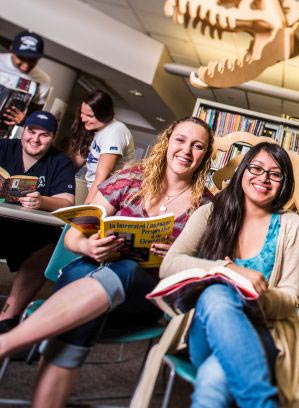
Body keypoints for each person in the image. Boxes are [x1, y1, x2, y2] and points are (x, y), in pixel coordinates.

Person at [0, 117, 213, 406]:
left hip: (144, 296)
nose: (186, 151)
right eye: (180, 140)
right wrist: (89, 245)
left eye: (197, 146)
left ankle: (9, 342)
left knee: (123, 269)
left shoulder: (206, 205)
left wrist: (177, 253)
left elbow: (204, 265)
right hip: (91, 276)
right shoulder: (130, 180)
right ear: (167, 142)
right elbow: (73, 238)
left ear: (205, 155)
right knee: (85, 290)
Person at [160, 142, 299, 407]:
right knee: (217, 292)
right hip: (204, 332)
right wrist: (226, 270)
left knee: (213, 379)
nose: (264, 178)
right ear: (243, 171)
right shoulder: (210, 213)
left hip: (263, 329)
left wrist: (255, 299)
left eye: (275, 174)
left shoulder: (292, 225)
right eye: (257, 168)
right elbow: (169, 264)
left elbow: (289, 298)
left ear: (284, 183)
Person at [0, 110, 75, 332]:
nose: (35, 139)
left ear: (52, 138)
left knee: (51, 247)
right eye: (31, 131)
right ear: (23, 130)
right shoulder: (4, 147)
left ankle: (7, 318)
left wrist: (42, 201)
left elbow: (67, 203)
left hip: (31, 231)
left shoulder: (60, 161)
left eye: (44, 135)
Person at [67, 90, 136, 203]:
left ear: (104, 114)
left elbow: (102, 176)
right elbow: (76, 162)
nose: (83, 119)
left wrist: (85, 208)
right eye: (82, 113)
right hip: (99, 192)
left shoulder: (114, 131)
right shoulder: (96, 129)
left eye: (89, 115)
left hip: (110, 196)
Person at [0, 31, 52, 129]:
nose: (25, 66)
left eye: (32, 60)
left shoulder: (43, 80)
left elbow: (34, 116)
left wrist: (24, 120)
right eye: (22, 58)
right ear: (12, 49)